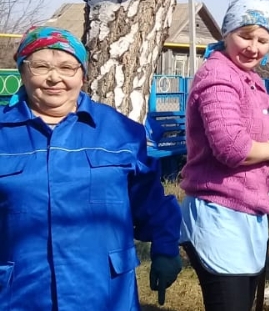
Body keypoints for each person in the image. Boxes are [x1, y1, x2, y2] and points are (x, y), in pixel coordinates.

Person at [0, 26, 182, 310]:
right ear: (22, 72)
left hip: (104, 293)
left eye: (67, 67)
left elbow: (150, 201)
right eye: (41, 66)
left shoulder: (120, 132)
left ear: (82, 75)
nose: (54, 77)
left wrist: (165, 248)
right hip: (22, 294)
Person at [179, 0, 269, 311]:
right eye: (245, 35)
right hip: (219, 214)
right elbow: (232, 148)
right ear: (227, 33)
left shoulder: (249, 80)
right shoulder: (218, 78)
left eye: (263, 39)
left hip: (245, 214)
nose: (253, 47)